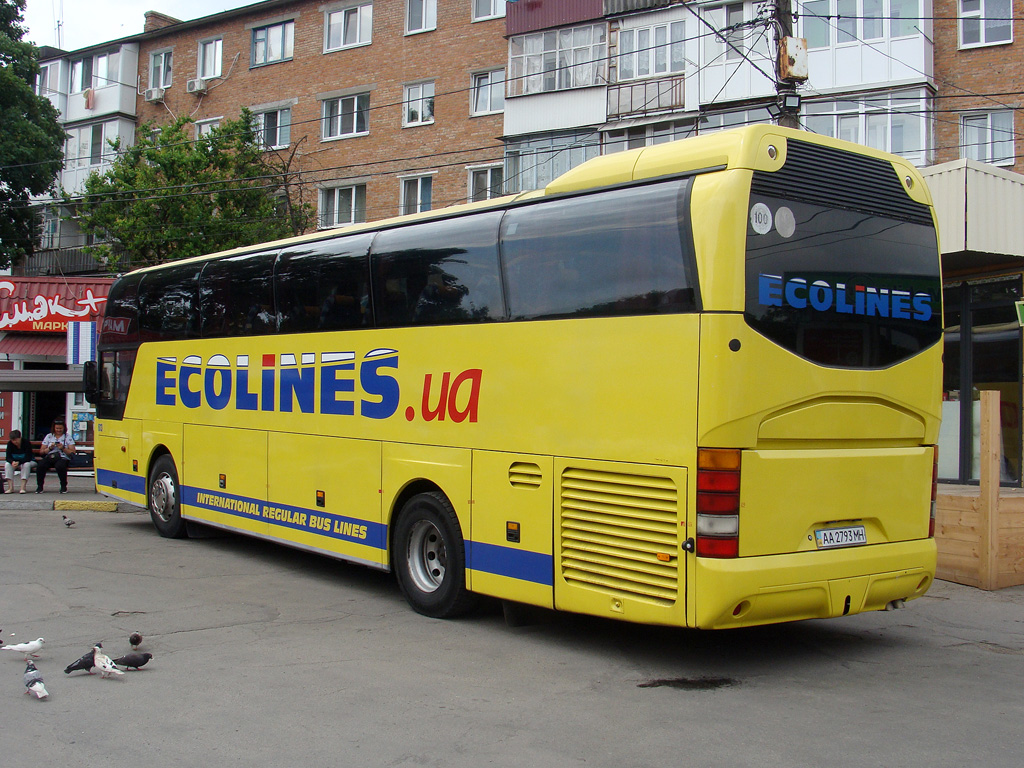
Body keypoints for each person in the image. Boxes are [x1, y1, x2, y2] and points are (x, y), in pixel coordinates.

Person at [36, 418, 75, 494]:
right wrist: (50, 448)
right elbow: (42, 451)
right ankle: (39, 486)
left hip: (63, 457)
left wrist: (63, 448)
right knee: (41, 465)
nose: (58, 430)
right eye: (57, 428)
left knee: (60, 466)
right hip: (50, 456)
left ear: (64, 428)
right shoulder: (49, 436)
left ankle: (63, 486)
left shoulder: (67, 437)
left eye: (60, 428)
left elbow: (72, 452)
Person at [5, 430, 37, 494]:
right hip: (15, 462)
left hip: (29, 461)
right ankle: (10, 488)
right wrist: (12, 462)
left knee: (26, 465)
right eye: (13, 440)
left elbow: (28, 457)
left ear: (20, 438)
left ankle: (23, 487)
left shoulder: (26, 443)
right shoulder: (10, 444)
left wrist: (19, 462)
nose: (15, 442)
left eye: (16, 440)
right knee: (7, 465)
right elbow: (8, 457)